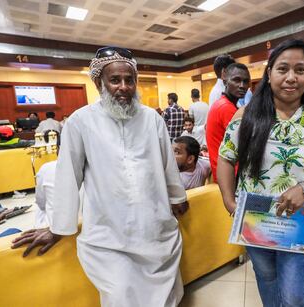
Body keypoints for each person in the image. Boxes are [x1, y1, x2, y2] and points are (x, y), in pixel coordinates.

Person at [11, 46, 188, 307]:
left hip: (155, 229)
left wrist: (177, 197)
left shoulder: (152, 119)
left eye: (130, 80)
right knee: (120, 296)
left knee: (165, 297)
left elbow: (167, 165)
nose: (124, 87)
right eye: (115, 80)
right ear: (98, 83)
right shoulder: (80, 122)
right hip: (109, 237)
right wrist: (58, 227)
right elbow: (68, 177)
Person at [217, 39, 304, 307]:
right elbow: (226, 159)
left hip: (297, 222)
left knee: (294, 296)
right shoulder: (247, 116)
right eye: (282, 69)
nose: (291, 78)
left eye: (300, 70)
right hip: (254, 218)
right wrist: (230, 202)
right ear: (269, 72)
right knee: (266, 277)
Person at [206, 63, 250, 183]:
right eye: (236, 80)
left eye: (246, 81)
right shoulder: (226, 107)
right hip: (230, 174)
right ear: (225, 81)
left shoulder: (225, 103)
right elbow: (245, 144)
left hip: (225, 171)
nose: (242, 86)